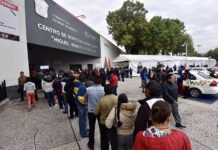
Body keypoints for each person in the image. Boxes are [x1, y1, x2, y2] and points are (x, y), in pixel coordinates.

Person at [94, 84, 118, 150]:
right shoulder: (117, 98)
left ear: (105, 91)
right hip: (114, 123)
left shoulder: (101, 100)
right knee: (114, 141)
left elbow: (96, 112)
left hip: (104, 123)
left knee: (104, 140)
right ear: (112, 90)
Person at [86, 77, 105, 150]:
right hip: (100, 111)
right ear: (100, 82)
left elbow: (85, 98)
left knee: (92, 128)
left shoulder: (88, 89)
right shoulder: (103, 89)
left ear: (93, 82)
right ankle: (103, 144)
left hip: (91, 111)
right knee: (102, 129)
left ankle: (91, 144)